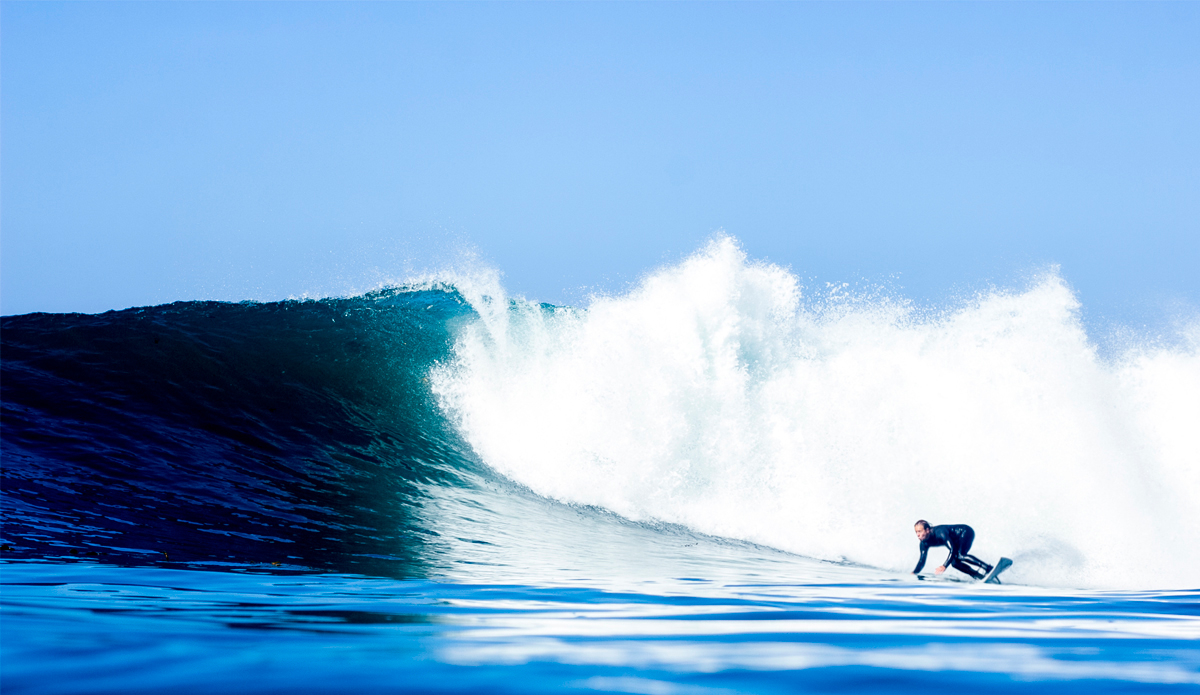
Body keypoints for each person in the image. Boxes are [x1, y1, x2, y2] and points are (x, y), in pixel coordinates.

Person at [912, 520, 993, 579]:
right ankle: (977, 575)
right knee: (955, 563)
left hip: (965, 532)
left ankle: (988, 568)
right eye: (916, 532)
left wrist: (944, 566)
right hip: (956, 540)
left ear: (927, 530)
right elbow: (921, 561)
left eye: (920, 531)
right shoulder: (924, 543)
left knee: (961, 556)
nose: (918, 535)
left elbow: (953, 549)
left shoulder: (940, 533)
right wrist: (914, 573)